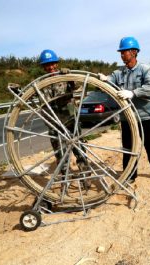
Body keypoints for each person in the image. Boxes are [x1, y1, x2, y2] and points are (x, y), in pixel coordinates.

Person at [98, 37, 150, 184]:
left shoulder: (145, 69)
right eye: (121, 52)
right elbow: (110, 81)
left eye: (125, 52)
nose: (122, 55)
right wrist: (102, 80)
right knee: (128, 147)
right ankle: (130, 175)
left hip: (145, 116)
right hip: (127, 118)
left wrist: (133, 93)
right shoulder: (119, 73)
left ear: (134, 52)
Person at [38, 49, 88, 177]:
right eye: (47, 65)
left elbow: (78, 86)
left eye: (52, 64)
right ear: (44, 67)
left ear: (56, 64)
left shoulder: (65, 77)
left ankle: (84, 172)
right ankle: (65, 175)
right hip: (54, 120)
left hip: (70, 117)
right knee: (60, 150)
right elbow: (41, 103)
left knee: (78, 145)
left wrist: (69, 77)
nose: (51, 67)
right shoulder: (41, 84)